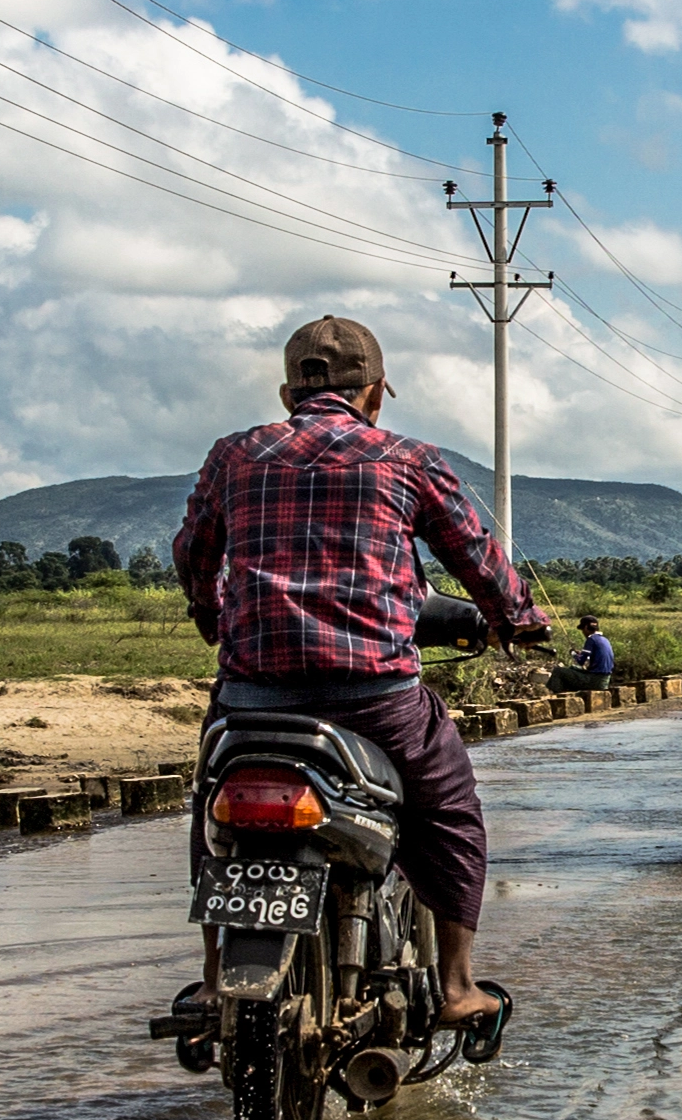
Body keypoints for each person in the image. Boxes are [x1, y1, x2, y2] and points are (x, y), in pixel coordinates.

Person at [167, 316, 546, 1035]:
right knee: (452, 812)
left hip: (252, 702)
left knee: (212, 808)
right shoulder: (407, 459)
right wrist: (518, 618)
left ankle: (217, 979)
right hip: (376, 701)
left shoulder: (234, 456)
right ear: (374, 394)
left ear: (288, 392)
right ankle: (459, 984)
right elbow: (478, 559)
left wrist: (211, 613)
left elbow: (193, 554)